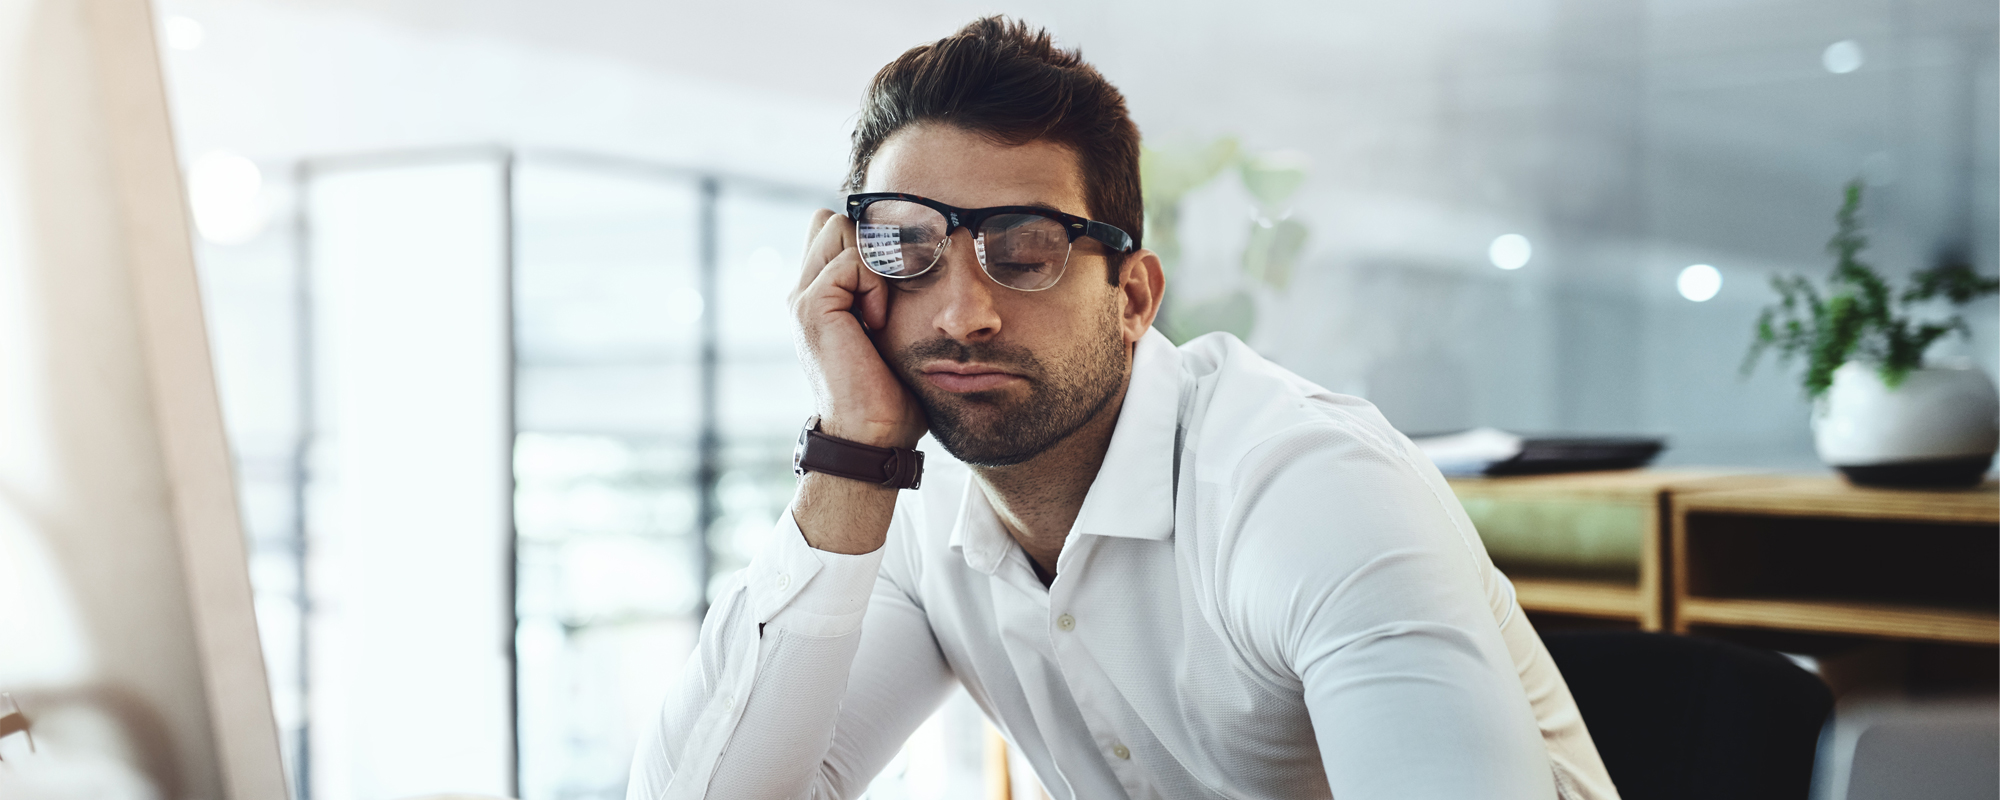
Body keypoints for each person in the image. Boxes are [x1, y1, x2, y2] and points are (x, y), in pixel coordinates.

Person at [628, 16, 1616, 800]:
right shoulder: (921, 521)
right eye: (905, 250)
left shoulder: (1307, 490)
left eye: (1024, 252)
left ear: (1134, 296)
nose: (964, 313)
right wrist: (849, 449)